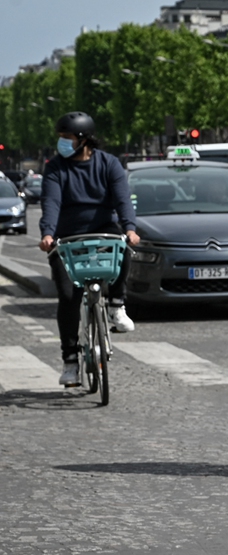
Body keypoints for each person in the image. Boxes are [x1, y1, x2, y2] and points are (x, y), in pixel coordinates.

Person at [38, 112, 140, 387]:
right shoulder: (55, 167)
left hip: (104, 231)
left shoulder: (109, 164)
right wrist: (48, 234)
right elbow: (51, 202)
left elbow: (122, 199)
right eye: (60, 138)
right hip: (67, 238)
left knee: (124, 247)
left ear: (83, 140)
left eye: (66, 138)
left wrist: (130, 228)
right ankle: (70, 361)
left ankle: (117, 306)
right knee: (68, 296)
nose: (61, 143)